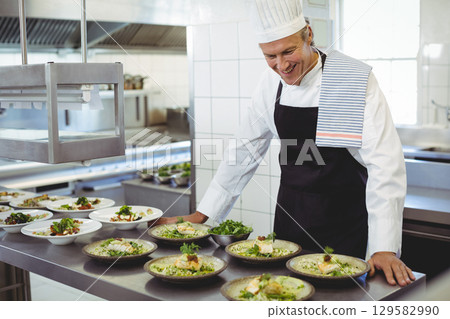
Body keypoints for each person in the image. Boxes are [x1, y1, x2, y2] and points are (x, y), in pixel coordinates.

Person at [153, 0, 415, 287]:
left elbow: (384, 163)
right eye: (270, 56)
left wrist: (384, 247)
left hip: (343, 221)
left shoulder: (348, 78)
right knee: (285, 293)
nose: (281, 65)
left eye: (288, 51)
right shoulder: (271, 83)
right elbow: (244, 151)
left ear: (309, 35)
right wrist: (204, 215)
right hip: (290, 218)